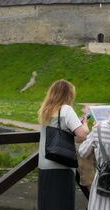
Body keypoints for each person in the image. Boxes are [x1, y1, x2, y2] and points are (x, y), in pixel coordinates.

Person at [37, 79, 90, 210]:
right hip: (62, 165)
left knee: (47, 205)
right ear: (68, 94)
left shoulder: (45, 110)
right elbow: (82, 134)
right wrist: (84, 124)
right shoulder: (66, 109)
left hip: (44, 165)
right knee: (62, 204)